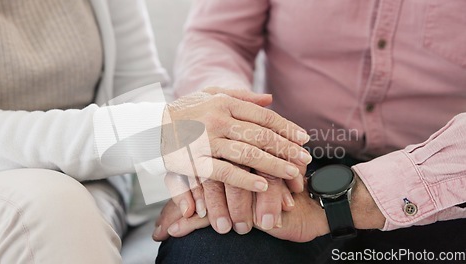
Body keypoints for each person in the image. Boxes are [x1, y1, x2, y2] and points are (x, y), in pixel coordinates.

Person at [0, 0, 310, 263]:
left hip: (95, 188)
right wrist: (155, 134)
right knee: (50, 205)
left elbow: (138, 89)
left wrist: (210, 177)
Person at [154, 0, 466, 263]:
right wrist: (237, 131)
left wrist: (351, 201)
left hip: (445, 176)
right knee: (207, 250)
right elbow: (219, 36)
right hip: (292, 164)